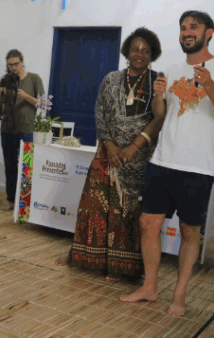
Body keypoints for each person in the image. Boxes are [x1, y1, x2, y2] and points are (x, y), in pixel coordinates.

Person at [121, 11, 214, 316]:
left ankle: (179, 294)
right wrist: (158, 97)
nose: (187, 32)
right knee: (148, 224)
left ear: (208, 32)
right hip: (162, 159)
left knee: (189, 232)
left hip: (198, 166)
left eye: (193, 27)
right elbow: (161, 114)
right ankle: (149, 287)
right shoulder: (172, 70)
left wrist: (209, 83)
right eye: (183, 27)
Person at [58, 28, 166, 279]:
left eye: (146, 50)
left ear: (153, 54)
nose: (139, 54)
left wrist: (133, 147)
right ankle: (85, 256)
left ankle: (121, 266)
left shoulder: (157, 81)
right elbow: (101, 114)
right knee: (95, 205)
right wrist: (110, 146)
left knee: (126, 211)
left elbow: (159, 119)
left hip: (138, 158)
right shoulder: (111, 79)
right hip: (107, 153)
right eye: (135, 49)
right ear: (127, 51)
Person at [0, 51, 44, 212]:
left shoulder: (34, 79)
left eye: (16, 64)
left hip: (26, 129)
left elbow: (44, 104)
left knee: (26, 166)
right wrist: (0, 97)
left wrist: (26, 96)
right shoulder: (5, 80)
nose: (13, 67)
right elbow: (0, 112)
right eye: (10, 65)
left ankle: (25, 203)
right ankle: (11, 200)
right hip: (7, 129)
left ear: (22, 62)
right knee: (10, 165)